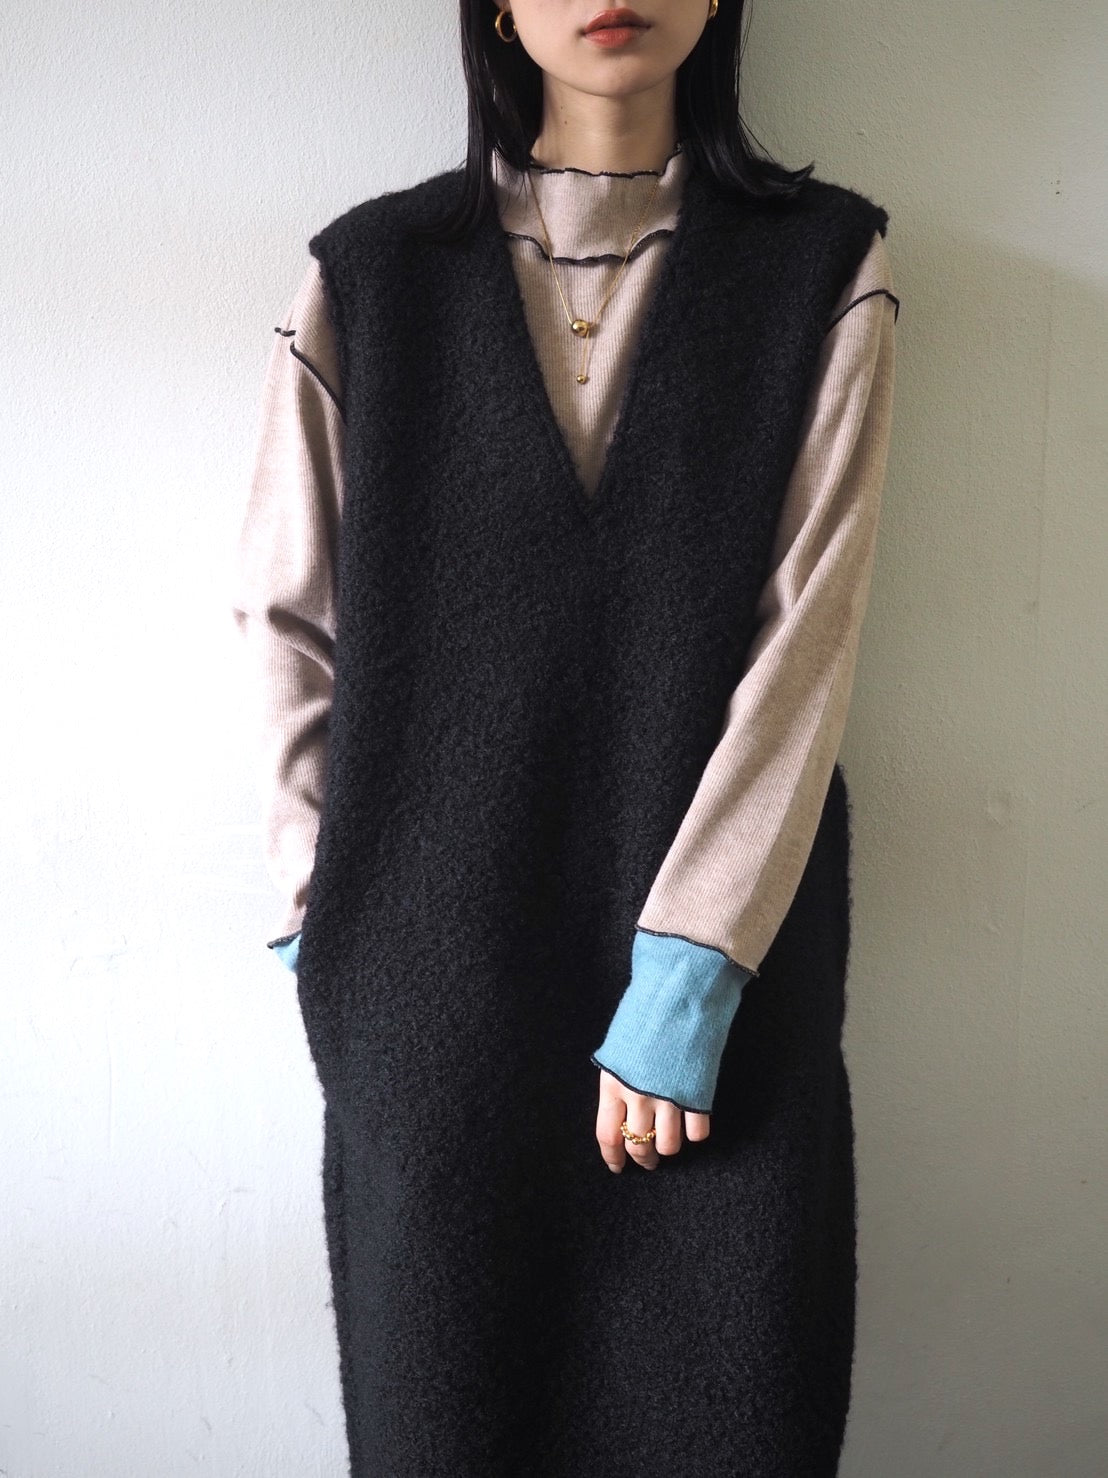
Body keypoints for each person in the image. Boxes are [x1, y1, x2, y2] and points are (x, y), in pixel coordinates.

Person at [233, 1, 899, 1473]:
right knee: (448, 1417)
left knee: (734, 1408)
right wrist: (327, 934)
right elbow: (282, 618)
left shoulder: (819, 267)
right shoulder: (371, 276)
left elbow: (808, 647)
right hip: (427, 982)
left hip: (733, 984)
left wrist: (687, 982)